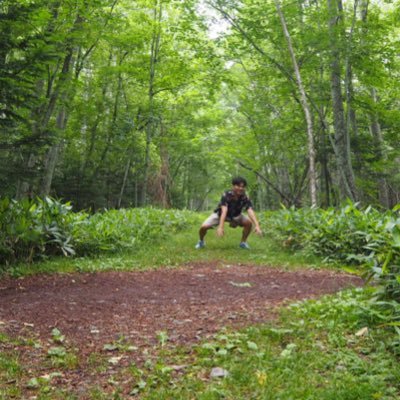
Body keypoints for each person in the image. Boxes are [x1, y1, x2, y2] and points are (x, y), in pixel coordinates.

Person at [195, 177, 262, 250]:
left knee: (249, 223)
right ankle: (201, 241)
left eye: (242, 187)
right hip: (220, 215)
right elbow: (224, 211)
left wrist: (257, 225)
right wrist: (220, 227)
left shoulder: (245, 196)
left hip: (236, 215)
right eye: (238, 186)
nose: (240, 188)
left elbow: (250, 210)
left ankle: (243, 243)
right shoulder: (226, 194)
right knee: (203, 227)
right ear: (233, 186)